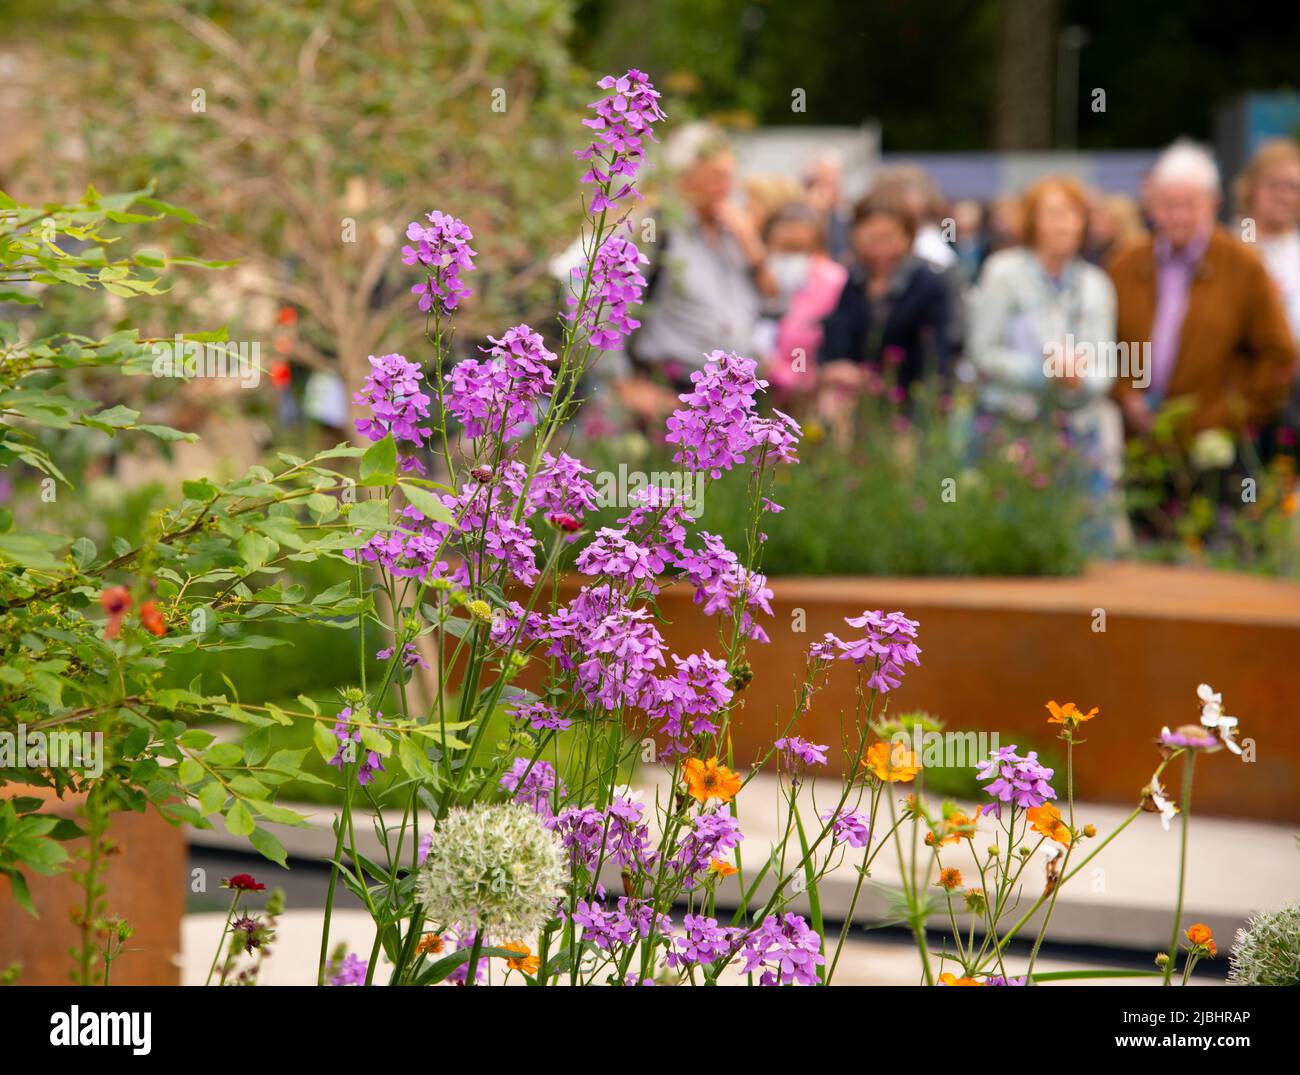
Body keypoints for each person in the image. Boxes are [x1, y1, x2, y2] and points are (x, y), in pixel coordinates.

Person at [969, 176, 1124, 548]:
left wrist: (1081, 381)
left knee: (1087, 544)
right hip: (1009, 425)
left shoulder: (1095, 284)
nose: (1064, 224)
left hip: (1076, 429)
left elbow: (1106, 361)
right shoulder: (1003, 273)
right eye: (1053, 214)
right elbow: (981, 352)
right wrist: (1042, 373)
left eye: (1073, 215)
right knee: (1003, 541)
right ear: (1032, 221)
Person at [1108, 140, 1294, 438]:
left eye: (1191, 205)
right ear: (1151, 205)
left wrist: (1230, 415)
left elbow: (1277, 354)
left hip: (1215, 446)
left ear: (1213, 204)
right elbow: (1109, 343)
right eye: (1168, 205)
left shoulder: (1243, 265)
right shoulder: (1125, 264)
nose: (1179, 216)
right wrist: (1126, 392)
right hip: (1139, 441)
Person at [619, 122, 776, 421]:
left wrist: (754, 249)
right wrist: (623, 383)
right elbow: (604, 306)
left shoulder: (735, 230)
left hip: (736, 401)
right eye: (718, 176)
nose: (729, 186)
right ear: (685, 176)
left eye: (731, 175)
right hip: (673, 396)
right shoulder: (656, 228)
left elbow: (773, 301)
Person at [817, 193, 949, 421]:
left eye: (889, 238)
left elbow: (935, 357)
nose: (880, 250)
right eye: (871, 239)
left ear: (908, 237)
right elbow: (836, 335)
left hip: (905, 407)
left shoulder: (928, 284)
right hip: (856, 402)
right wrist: (838, 369)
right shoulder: (851, 281)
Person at [760, 201, 848, 401]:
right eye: (785, 226)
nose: (792, 233)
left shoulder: (831, 276)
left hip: (810, 371)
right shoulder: (760, 269)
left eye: (800, 227)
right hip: (762, 370)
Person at [803, 151, 852, 264]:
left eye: (833, 180)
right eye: (822, 182)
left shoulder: (848, 214)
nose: (828, 190)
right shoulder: (801, 218)